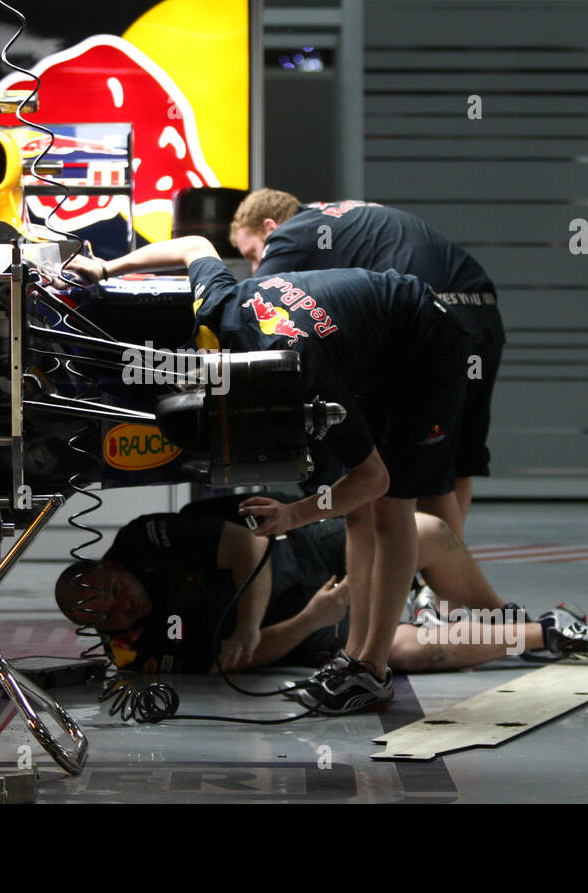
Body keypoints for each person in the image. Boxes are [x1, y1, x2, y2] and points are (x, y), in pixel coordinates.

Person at [64, 235, 470, 713]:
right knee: (360, 514)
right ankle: (353, 656)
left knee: (387, 504)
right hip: (367, 346)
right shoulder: (214, 311)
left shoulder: (303, 373)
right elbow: (196, 245)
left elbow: (373, 479)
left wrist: (294, 514)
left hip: (426, 343)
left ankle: (374, 670)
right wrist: (106, 268)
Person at [53, 508, 588, 697]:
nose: (117, 608)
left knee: (428, 532)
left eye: (111, 592)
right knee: (404, 652)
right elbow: (236, 662)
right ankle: (551, 632)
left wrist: (248, 621)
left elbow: (245, 542)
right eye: (101, 615)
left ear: (112, 566)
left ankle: (501, 617)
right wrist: (313, 619)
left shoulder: (141, 538)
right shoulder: (139, 650)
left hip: (298, 553)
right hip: (302, 625)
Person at [229, 191, 505, 536]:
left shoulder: (291, 232)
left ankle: (434, 575)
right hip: (481, 315)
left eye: (254, 253)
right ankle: (439, 573)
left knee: (418, 479)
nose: (257, 264)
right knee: (454, 460)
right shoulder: (339, 213)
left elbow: (254, 302)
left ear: (269, 227)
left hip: (437, 327)